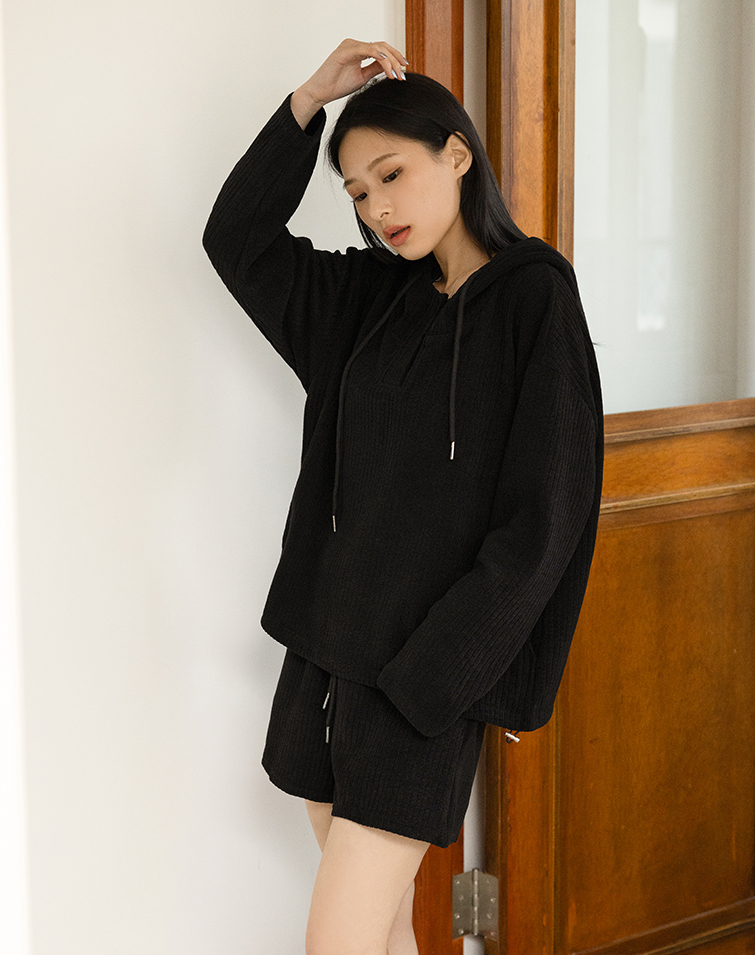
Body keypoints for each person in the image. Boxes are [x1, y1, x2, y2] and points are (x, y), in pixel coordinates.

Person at [203, 38, 603, 955]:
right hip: (326, 654)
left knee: (337, 940)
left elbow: (544, 520)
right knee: (379, 930)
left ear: (456, 154)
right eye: (356, 192)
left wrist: (442, 679)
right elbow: (236, 241)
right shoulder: (364, 300)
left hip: (420, 678)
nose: (376, 208)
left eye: (391, 174)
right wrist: (310, 99)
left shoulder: (534, 301)